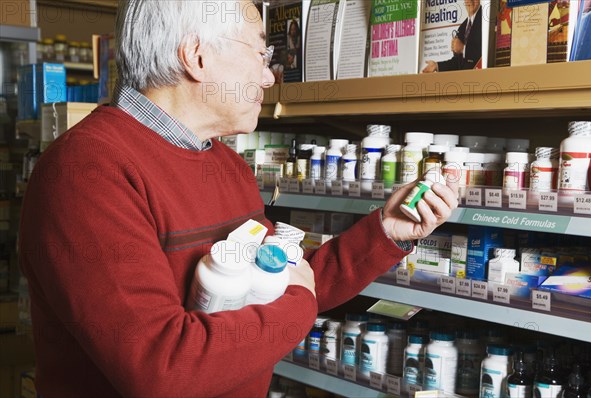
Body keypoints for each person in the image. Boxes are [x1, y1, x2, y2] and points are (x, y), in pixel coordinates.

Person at [19, 1, 458, 397]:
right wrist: (299, 305)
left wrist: (386, 232)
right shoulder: (88, 172)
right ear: (198, 56)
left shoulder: (225, 165)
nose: (269, 75)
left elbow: (280, 280)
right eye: (260, 54)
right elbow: (161, 367)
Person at [422, 0, 482, 73]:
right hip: (464, 79)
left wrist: (463, 48)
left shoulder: (486, 22)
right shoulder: (462, 27)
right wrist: (437, 65)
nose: (471, 1)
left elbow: (486, 52)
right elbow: (457, 63)